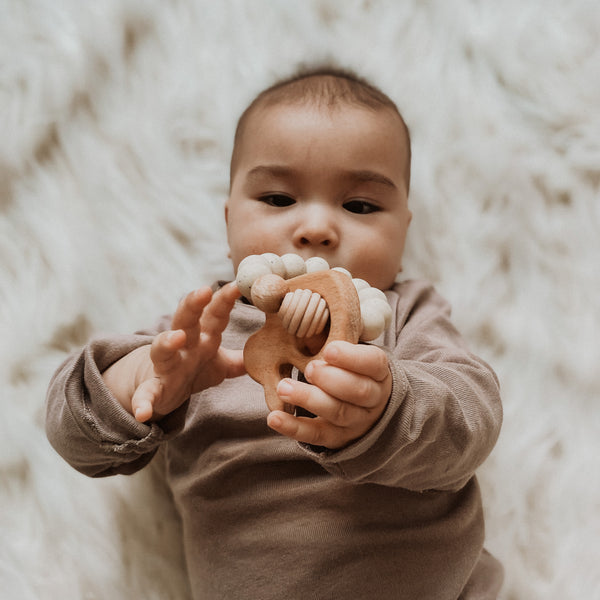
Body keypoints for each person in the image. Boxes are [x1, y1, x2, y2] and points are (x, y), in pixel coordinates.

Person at [46, 66, 504, 599]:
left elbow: (473, 420)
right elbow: (72, 435)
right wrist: (139, 380)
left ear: (403, 229)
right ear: (228, 223)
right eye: (279, 199)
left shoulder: (405, 315)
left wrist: (389, 410)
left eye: (359, 206)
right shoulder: (198, 333)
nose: (315, 228)